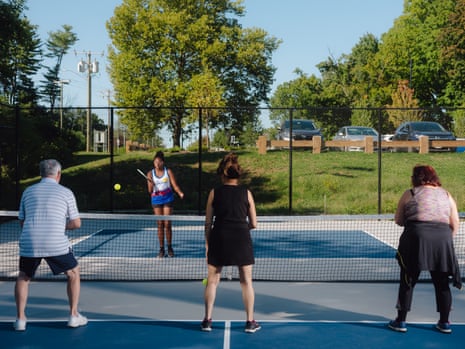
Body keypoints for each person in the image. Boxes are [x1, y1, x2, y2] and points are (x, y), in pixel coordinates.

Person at [14, 159, 87, 331]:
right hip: (55, 242)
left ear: (41, 174)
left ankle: (20, 320)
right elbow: (76, 224)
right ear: (58, 174)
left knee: (24, 277)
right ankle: (73, 315)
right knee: (73, 273)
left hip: (29, 241)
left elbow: (22, 223)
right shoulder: (66, 192)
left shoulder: (28, 192)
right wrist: (61, 226)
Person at [388, 164, 461, 334]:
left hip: (416, 238)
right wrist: (445, 239)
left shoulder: (410, 193)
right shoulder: (446, 194)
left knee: (408, 280)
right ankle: (444, 323)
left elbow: (398, 219)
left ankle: (401, 321)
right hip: (442, 239)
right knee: (442, 282)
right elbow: (455, 222)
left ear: (415, 178)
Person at [201, 152, 260, 333]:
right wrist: (241, 228)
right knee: (246, 282)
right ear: (238, 174)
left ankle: (207, 321)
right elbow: (254, 223)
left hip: (219, 236)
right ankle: (250, 322)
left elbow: (208, 223)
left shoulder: (214, 193)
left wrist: (207, 244)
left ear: (222, 174)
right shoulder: (246, 193)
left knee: (212, 281)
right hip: (241, 237)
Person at [146, 151, 184, 258]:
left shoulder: (168, 172)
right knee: (160, 224)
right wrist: (151, 184)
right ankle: (161, 249)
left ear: (163, 162)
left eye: (159, 162)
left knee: (167, 224)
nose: (157, 164)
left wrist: (180, 192)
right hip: (156, 199)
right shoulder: (150, 174)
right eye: (155, 162)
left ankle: (170, 247)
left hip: (168, 198)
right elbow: (149, 191)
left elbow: (174, 185)